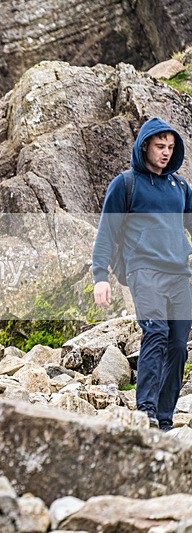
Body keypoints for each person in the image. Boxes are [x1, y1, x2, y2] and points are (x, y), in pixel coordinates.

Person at [92, 117, 192, 431]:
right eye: (160, 146)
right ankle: (145, 408)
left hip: (178, 273)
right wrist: (100, 276)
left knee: (178, 345)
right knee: (157, 332)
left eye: (170, 147)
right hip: (143, 270)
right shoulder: (125, 184)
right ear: (145, 145)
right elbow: (106, 233)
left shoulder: (180, 187)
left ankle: (164, 417)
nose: (165, 152)